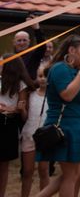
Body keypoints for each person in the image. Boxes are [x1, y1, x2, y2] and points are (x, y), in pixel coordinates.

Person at [36, 34, 80, 197]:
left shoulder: (73, 71)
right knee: (70, 176)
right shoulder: (60, 68)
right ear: (71, 50)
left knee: (77, 173)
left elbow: (73, 96)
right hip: (64, 125)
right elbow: (66, 95)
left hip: (74, 124)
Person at [0, 53, 32, 196]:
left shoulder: (20, 84)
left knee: (3, 164)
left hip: (9, 123)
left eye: (2, 63)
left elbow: (21, 106)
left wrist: (9, 108)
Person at [21, 65, 50, 197]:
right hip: (29, 134)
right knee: (27, 171)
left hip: (45, 137)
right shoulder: (30, 95)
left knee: (44, 170)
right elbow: (25, 117)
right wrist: (22, 110)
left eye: (46, 76)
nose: (43, 79)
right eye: (40, 76)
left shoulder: (53, 96)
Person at [14, 14, 47, 81]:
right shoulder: (9, 57)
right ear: (14, 42)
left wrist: (37, 29)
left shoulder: (33, 55)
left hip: (29, 89)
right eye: (19, 40)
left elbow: (42, 46)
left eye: (24, 40)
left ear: (29, 42)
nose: (22, 43)